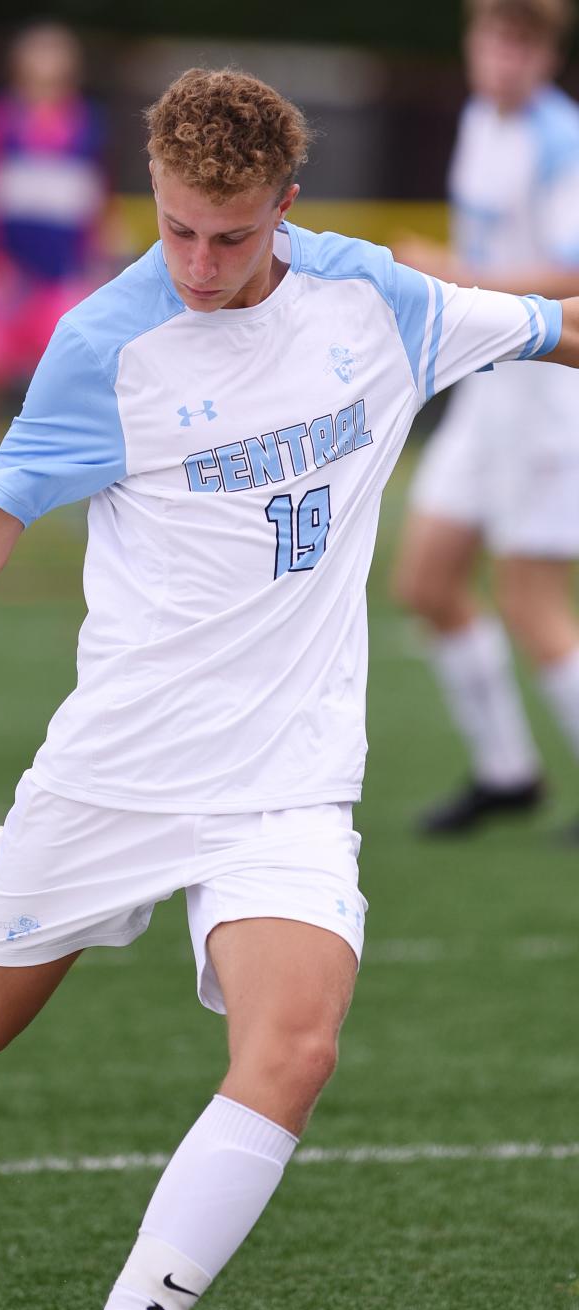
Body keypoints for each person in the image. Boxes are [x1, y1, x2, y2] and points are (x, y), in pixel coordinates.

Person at [0, 68, 577, 1310]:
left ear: (285, 210)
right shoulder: (106, 343)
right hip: (118, 770)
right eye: (177, 227)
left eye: (230, 234)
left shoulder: (378, 303)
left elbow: (553, 326)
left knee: (294, 1046)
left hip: (289, 780)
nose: (196, 261)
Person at [392, 0, 579, 835]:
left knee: (530, 599)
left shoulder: (561, 138)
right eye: (493, 36)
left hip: (550, 394)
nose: (504, 56)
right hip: (490, 385)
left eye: (523, 41)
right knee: (426, 581)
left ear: (547, 55)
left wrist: (451, 278)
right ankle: (508, 775)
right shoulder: (480, 120)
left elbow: (569, 275)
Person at [0, 22, 111, 503]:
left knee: (73, 383)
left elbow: (92, 200)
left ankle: (72, 478)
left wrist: (90, 260)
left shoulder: (85, 125)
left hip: (61, 277)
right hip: (4, 275)